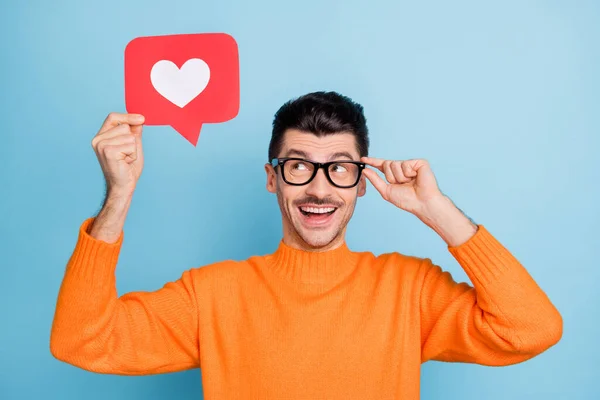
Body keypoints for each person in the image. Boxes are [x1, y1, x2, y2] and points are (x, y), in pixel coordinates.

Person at [50, 91, 562, 399]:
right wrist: (119, 195)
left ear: (362, 181)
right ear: (273, 179)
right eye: (299, 166)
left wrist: (439, 212)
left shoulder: (409, 289)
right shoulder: (210, 295)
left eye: (339, 168)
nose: (319, 189)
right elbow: (80, 340)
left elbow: (531, 330)